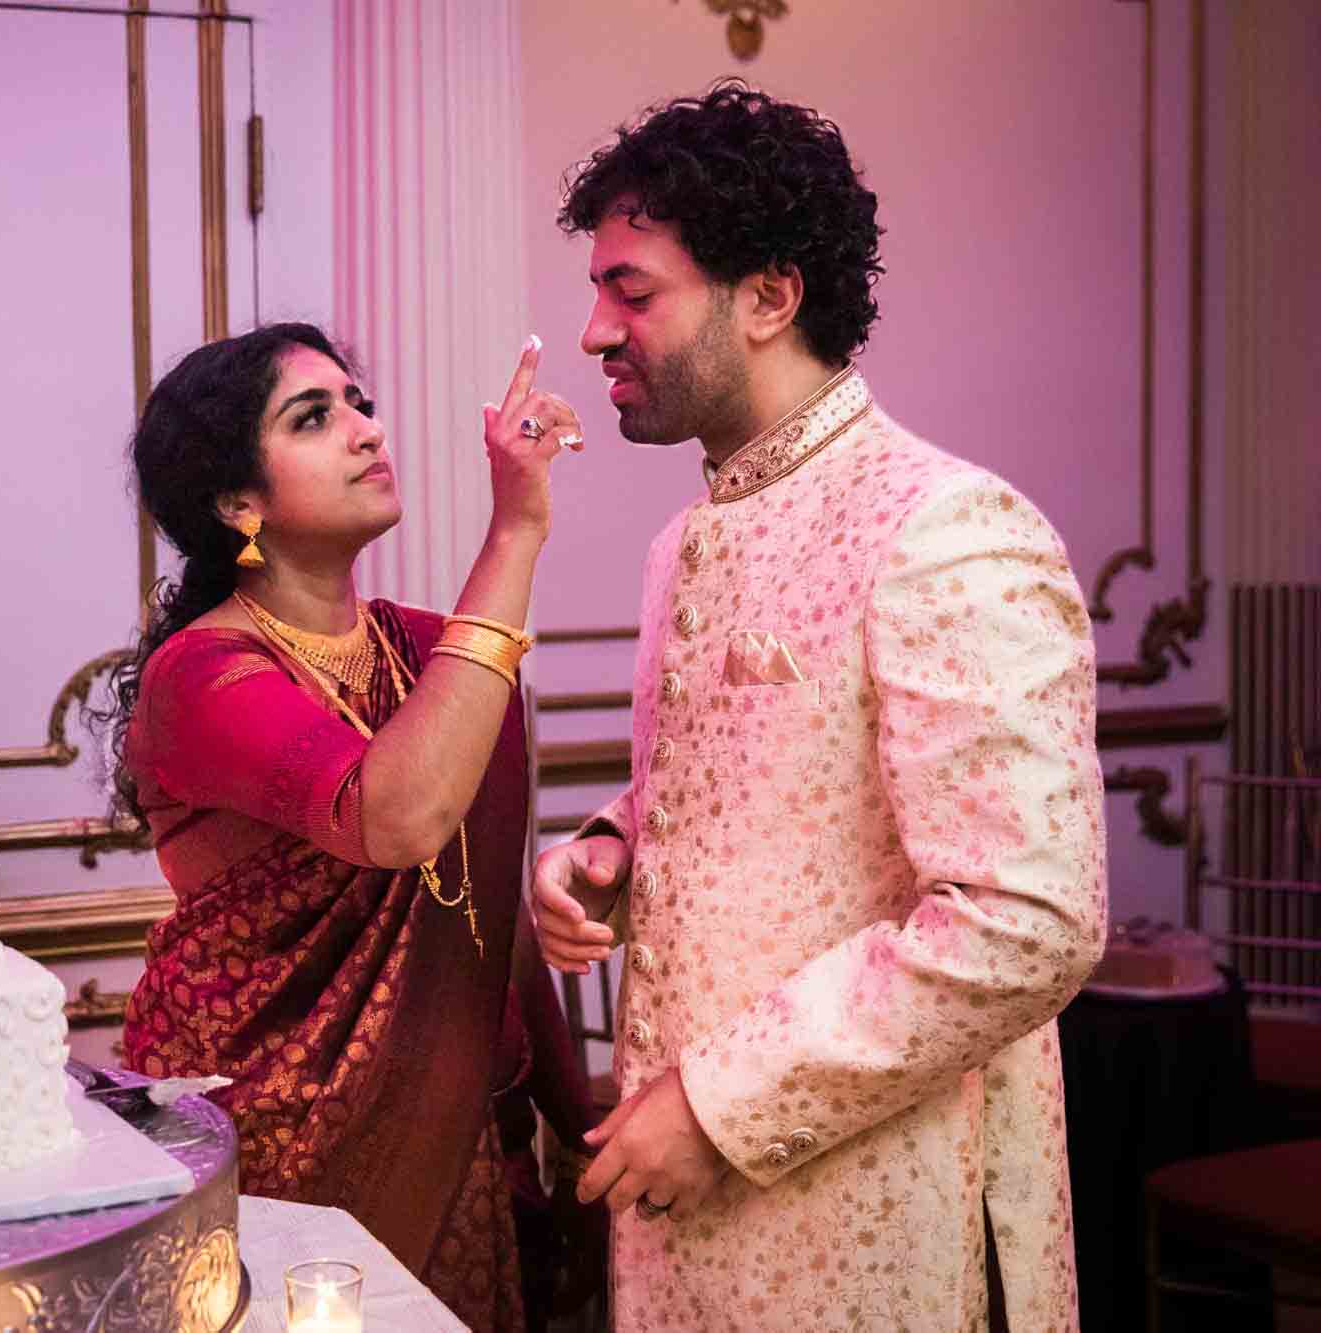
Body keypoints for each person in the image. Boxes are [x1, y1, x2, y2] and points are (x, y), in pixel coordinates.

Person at [531, 83, 1107, 1331]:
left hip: (882, 1215)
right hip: (705, 1224)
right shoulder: (686, 539)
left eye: (631, 292)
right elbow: (769, 788)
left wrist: (719, 1106)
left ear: (769, 296)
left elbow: (1028, 921)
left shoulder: (945, 526)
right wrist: (612, 850)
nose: (591, 332)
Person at [106, 322, 605, 1332]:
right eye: (313, 416)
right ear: (236, 503)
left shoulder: (434, 653)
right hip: (265, 1147)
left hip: (446, 1124)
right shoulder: (200, 676)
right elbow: (399, 817)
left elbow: (485, 919)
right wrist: (513, 532)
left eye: (358, 404)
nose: (365, 431)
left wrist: (571, 1118)